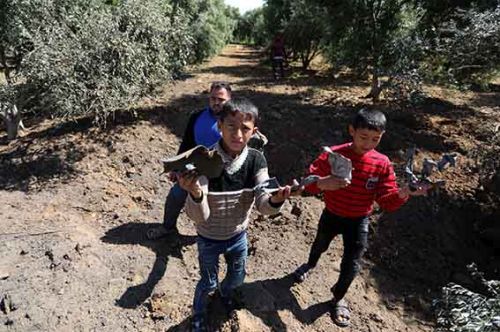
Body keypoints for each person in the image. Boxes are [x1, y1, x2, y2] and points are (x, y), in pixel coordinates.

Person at [293, 108, 429, 327]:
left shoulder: (382, 163)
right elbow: (308, 181)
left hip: (358, 221)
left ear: (382, 137)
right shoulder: (334, 154)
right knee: (320, 243)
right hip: (332, 214)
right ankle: (310, 264)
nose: (368, 144)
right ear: (352, 131)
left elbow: (386, 200)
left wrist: (404, 192)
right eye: (363, 137)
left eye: (375, 139)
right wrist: (322, 182)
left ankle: (338, 297)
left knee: (352, 264)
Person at [178, 98, 294, 331]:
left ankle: (226, 293)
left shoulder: (256, 160)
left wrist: (275, 199)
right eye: (231, 126)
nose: (237, 134)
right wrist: (195, 193)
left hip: (238, 237)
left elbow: (262, 202)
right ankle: (199, 314)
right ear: (219, 126)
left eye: (245, 128)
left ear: (254, 131)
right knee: (207, 282)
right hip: (209, 238)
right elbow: (199, 217)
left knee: (236, 278)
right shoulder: (205, 160)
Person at [147, 82, 232, 240]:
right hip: (198, 168)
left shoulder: (234, 121)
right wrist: (176, 168)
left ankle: (224, 237)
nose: (216, 102)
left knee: (219, 206)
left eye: (221, 99)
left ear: (229, 100)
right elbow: (187, 144)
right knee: (176, 194)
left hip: (225, 171)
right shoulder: (197, 117)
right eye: (213, 98)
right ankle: (168, 227)